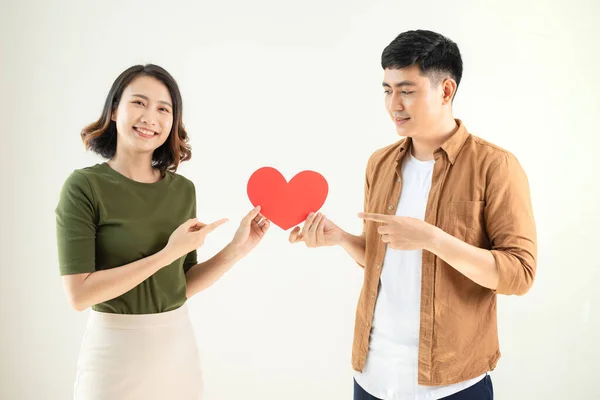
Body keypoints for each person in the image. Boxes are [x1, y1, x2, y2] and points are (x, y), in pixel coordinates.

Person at [289, 30, 537, 399]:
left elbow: (520, 274)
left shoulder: (495, 166)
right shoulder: (381, 163)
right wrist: (341, 238)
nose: (394, 105)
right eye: (387, 90)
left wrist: (433, 239)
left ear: (446, 90)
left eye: (407, 90)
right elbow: (382, 261)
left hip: (451, 383)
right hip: (372, 376)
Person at [55, 64, 271, 399]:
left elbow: (180, 285)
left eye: (163, 109)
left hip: (177, 351)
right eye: (138, 103)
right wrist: (168, 252)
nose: (150, 117)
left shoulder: (183, 190)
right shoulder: (84, 187)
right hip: (114, 354)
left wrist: (236, 250)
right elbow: (80, 295)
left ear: (173, 122)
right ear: (114, 111)